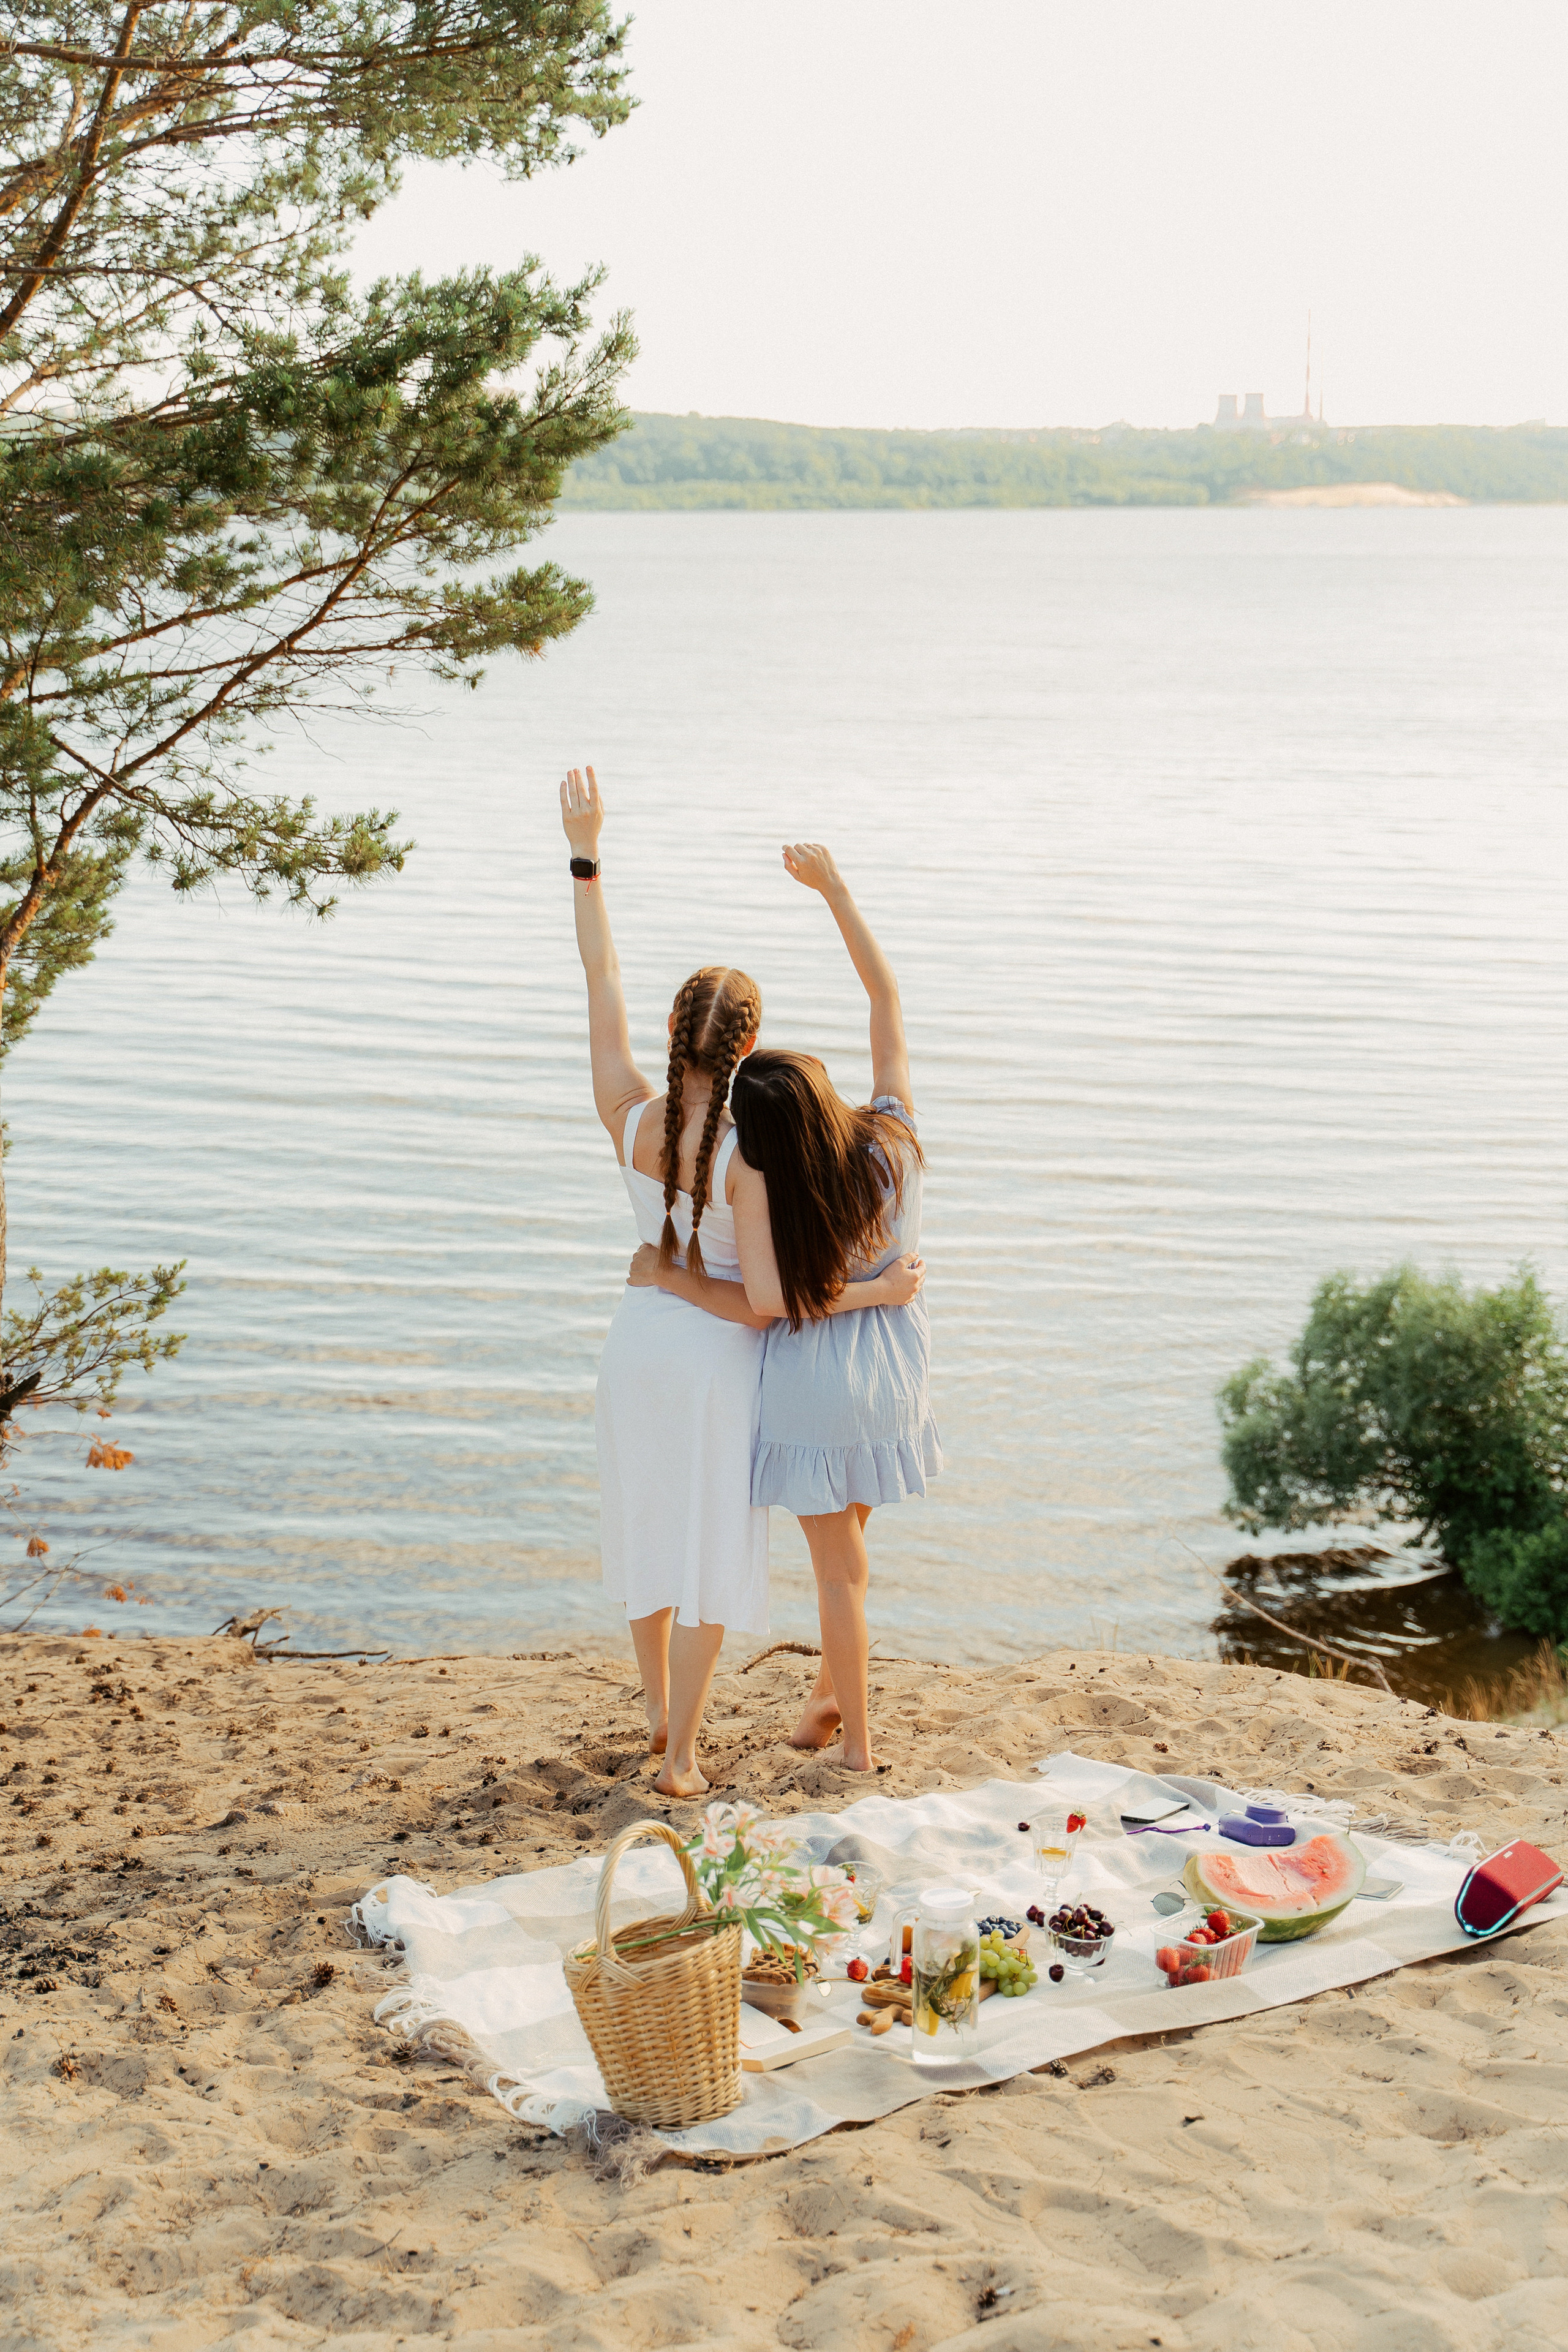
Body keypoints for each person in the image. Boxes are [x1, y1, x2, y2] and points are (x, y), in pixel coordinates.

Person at [560, 771, 922, 1797]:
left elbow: (599, 978)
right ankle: (680, 1757)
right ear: (748, 1046)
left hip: (633, 1347)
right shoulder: (746, 1157)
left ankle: (655, 1716)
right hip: (717, 1360)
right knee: (709, 1556)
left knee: (646, 1530)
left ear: (673, 1030)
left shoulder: (628, 1116)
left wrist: (586, 856)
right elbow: (765, 1303)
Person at [636, 842, 938, 1775]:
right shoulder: (894, 1141)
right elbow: (886, 1000)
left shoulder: (787, 1190)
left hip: (814, 1379)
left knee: (838, 1575)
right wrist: (836, 890)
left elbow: (785, 1299)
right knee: (855, 1552)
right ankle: (824, 1703)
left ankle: (857, 1750)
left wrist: (670, 1274)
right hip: (895, 1368)